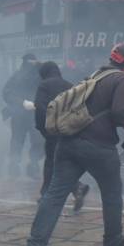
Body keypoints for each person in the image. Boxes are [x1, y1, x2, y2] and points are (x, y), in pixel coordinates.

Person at [24, 44, 124, 246]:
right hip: (99, 146)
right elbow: (120, 112)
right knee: (112, 194)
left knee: (54, 196)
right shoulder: (122, 80)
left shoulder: (95, 75)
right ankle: (112, 240)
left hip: (68, 143)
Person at [33, 61, 90, 210]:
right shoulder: (69, 85)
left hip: (52, 130)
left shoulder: (44, 85)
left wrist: (42, 127)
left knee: (51, 162)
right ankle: (76, 187)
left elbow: (40, 106)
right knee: (60, 162)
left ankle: (50, 193)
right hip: (68, 131)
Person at [2, 53, 42, 178]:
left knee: (38, 141)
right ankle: (14, 166)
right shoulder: (16, 76)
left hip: (35, 114)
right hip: (19, 114)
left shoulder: (40, 77)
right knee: (17, 140)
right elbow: (7, 92)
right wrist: (22, 102)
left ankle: (33, 165)